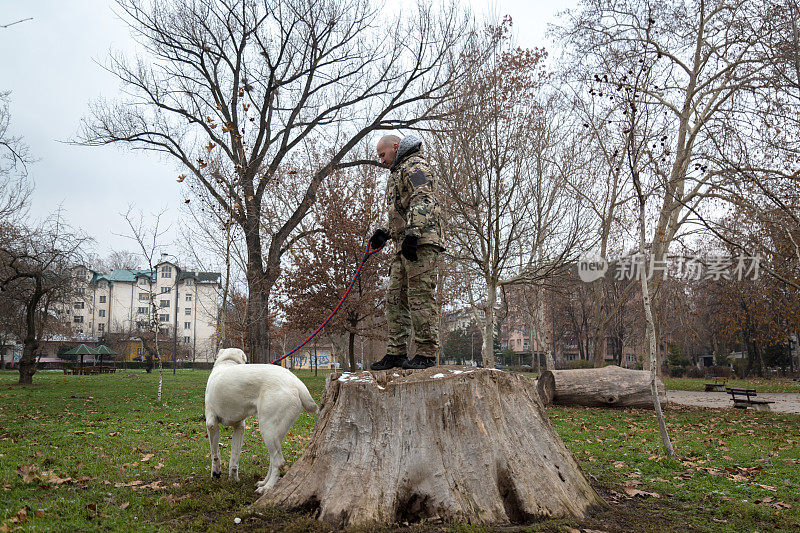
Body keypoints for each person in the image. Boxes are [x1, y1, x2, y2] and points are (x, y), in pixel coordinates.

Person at [369, 134, 443, 370]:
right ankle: (396, 352)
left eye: (383, 155)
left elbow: (424, 200)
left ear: (396, 147)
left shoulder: (416, 166)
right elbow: (402, 211)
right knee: (394, 298)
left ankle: (426, 353)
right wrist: (385, 232)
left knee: (420, 297)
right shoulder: (398, 171)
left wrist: (412, 233)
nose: (381, 161)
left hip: (421, 241)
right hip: (405, 243)